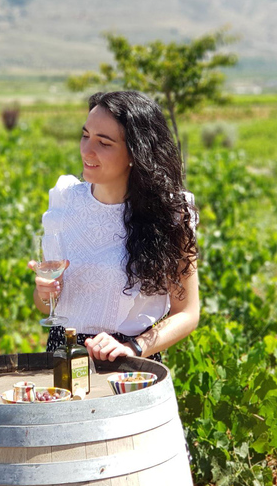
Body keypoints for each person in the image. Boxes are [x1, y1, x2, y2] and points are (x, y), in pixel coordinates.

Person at [30, 90, 200, 364]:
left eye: (104, 143)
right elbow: (45, 306)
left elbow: (187, 313)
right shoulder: (65, 201)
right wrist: (45, 293)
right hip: (63, 353)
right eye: (85, 136)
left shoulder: (169, 214)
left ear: (136, 152)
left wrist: (133, 347)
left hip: (130, 362)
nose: (87, 150)